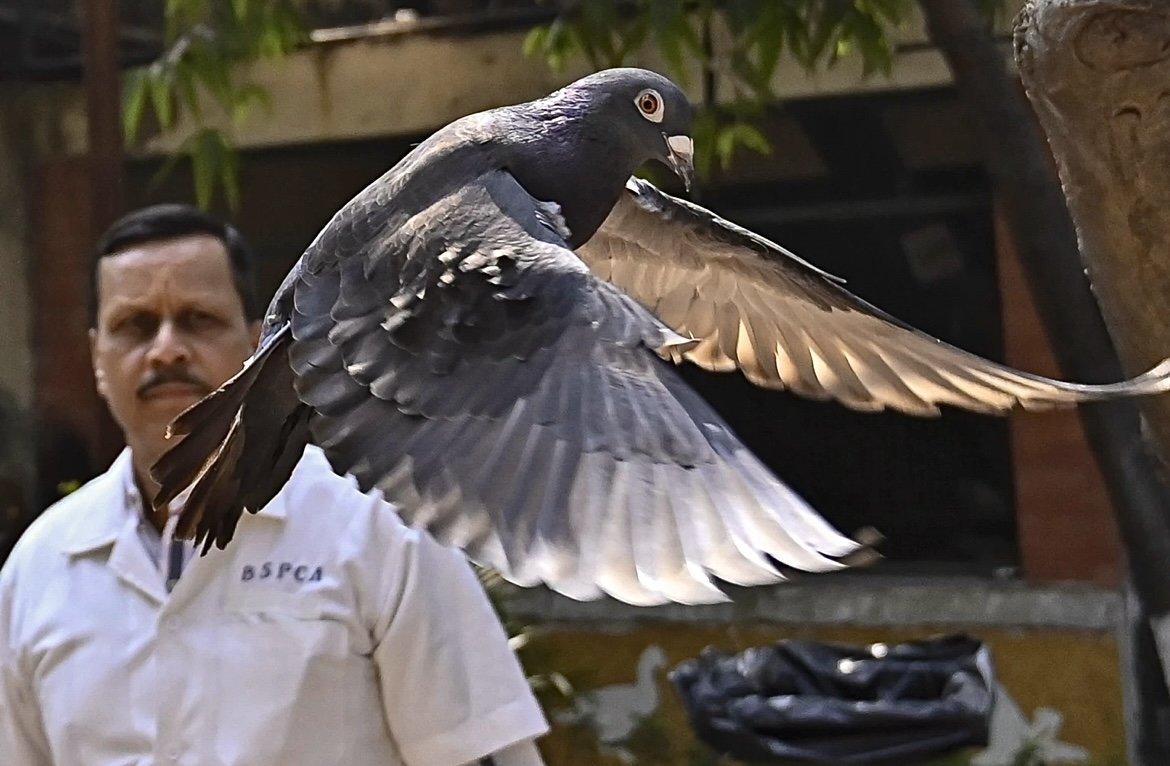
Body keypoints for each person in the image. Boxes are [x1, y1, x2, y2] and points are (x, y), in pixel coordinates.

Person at [0, 204, 549, 766]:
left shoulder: (377, 526)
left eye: (197, 319)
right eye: (135, 326)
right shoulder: (39, 569)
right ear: (97, 356)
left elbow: (478, 752)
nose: (166, 349)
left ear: (257, 343)